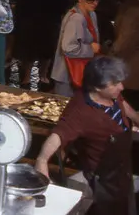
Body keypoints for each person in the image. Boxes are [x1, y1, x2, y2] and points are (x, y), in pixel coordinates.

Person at [35, 56, 138, 214]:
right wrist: (41, 160)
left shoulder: (112, 94)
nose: (122, 87)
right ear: (97, 87)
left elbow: (124, 106)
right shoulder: (80, 112)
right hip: (102, 182)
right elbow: (56, 137)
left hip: (122, 171)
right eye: (116, 84)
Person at [51, 0, 102, 97]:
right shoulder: (76, 18)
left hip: (80, 73)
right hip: (67, 75)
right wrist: (90, 49)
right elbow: (69, 48)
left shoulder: (92, 14)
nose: (95, 3)